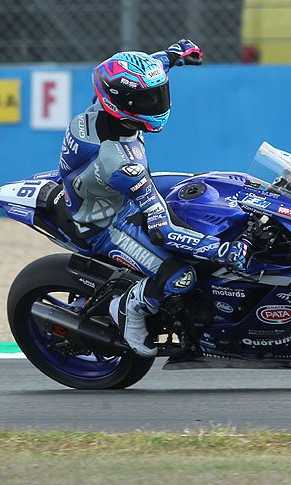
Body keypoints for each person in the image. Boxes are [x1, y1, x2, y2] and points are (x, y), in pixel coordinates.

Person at [57, 39, 250, 357]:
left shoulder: (105, 104)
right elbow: (164, 229)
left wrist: (176, 54)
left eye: (158, 94)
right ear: (122, 105)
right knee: (181, 276)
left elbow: (151, 66)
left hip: (107, 191)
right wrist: (223, 250)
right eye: (148, 100)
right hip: (106, 223)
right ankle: (129, 308)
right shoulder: (120, 161)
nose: (157, 103)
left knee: (205, 186)